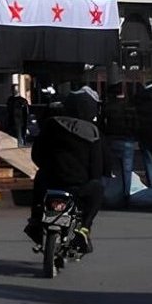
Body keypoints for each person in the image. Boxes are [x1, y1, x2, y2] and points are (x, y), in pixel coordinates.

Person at [26, 87, 107, 251]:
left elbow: (37, 153)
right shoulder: (92, 132)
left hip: (50, 181)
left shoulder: (51, 124)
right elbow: (97, 167)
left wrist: (48, 167)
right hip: (77, 186)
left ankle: (35, 221)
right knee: (97, 188)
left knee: (39, 181)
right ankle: (84, 228)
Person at [101, 82, 140, 204]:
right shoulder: (130, 107)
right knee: (127, 169)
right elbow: (135, 124)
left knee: (108, 168)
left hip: (111, 139)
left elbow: (102, 124)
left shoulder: (107, 107)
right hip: (127, 140)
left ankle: (107, 194)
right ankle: (126, 194)